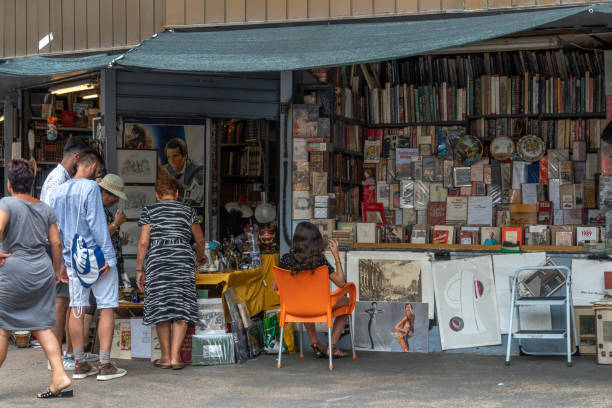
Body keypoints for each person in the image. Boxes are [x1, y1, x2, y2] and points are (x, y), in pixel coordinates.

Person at [49, 149, 127, 381]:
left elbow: (57, 230)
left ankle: (79, 362)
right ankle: (104, 364)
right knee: (106, 307)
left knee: (77, 307)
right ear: (93, 167)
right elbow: (97, 225)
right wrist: (109, 258)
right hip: (97, 256)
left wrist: (62, 262)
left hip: (72, 259)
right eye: (99, 171)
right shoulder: (91, 187)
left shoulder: (57, 192)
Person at [0, 159, 72, 398]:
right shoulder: (44, 208)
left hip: (14, 270)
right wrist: (55, 269)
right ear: (32, 185)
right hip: (41, 270)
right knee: (42, 326)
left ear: (10, 184)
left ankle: (61, 376)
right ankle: (60, 375)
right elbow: (56, 242)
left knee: (3, 328)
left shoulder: (6, 203)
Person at [136, 168, 206, 370]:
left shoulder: (149, 210)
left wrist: (140, 269)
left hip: (157, 261)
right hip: (182, 261)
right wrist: (200, 255)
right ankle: (176, 357)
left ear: (157, 196)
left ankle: (165, 357)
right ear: (177, 194)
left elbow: (143, 243)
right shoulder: (188, 211)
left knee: (161, 307)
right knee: (181, 306)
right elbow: (200, 239)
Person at [40, 137, 91, 371]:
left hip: (58, 245)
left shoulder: (58, 177)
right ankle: (58, 358)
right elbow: (55, 221)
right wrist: (60, 257)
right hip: (57, 246)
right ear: (76, 158)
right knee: (61, 303)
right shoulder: (59, 180)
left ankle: (63, 355)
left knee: (66, 301)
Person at [276, 221, 350, 358]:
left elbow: (276, 286)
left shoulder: (285, 260)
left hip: (294, 308)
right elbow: (341, 283)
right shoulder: (319, 261)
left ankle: (316, 344)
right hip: (320, 307)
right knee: (346, 301)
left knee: (302, 299)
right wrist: (336, 256)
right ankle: (331, 347)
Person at [82, 174, 130, 349]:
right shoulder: (97, 209)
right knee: (95, 305)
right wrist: (116, 224)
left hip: (109, 261)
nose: (116, 200)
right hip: (101, 263)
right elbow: (98, 236)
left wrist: (118, 236)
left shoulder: (102, 208)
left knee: (95, 304)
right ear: (105, 193)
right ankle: (86, 343)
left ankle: (88, 344)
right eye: (115, 196)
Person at [163, 138, 204, 206]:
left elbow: (195, 195)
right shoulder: (164, 169)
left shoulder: (199, 169)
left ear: (185, 156)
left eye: (175, 156)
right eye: (169, 157)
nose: (171, 161)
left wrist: (172, 182)